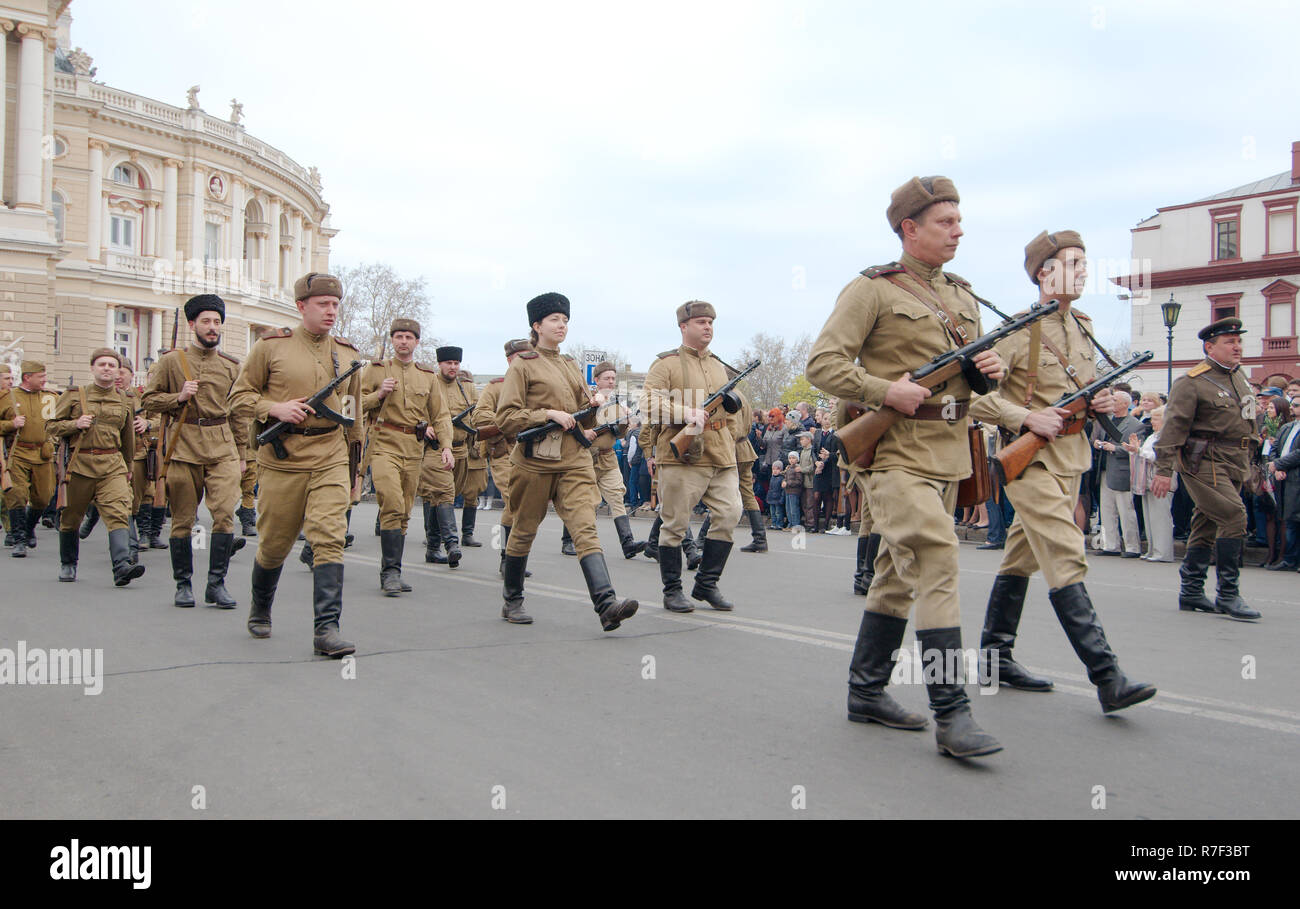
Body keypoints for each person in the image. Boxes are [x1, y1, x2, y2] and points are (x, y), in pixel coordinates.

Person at [806, 174, 1005, 757]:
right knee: (939, 554)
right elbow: (822, 363)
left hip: (948, 454)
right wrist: (881, 390)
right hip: (892, 454)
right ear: (909, 229)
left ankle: (865, 693)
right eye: (946, 223)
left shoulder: (965, 296)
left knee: (897, 575)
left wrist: (989, 373)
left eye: (960, 221)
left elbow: (977, 388)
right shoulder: (872, 290)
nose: (958, 231)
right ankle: (953, 711)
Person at [968, 230, 1155, 711]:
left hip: (1072, 457)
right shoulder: (1017, 333)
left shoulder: (1084, 327)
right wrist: (1022, 416)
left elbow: (1089, 392)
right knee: (1067, 551)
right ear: (1044, 272)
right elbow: (971, 396)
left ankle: (994, 657)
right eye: (1072, 261)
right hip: (1029, 461)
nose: (1083, 269)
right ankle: (1107, 676)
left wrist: (1108, 401)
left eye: (1084, 261)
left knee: (1021, 558)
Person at [228, 273, 365, 656]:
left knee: (329, 537)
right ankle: (260, 608)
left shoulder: (349, 354)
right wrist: (273, 408)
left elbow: (353, 411)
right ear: (302, 306)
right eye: (323, 304)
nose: (331, 311)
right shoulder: (270, 347)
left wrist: (356, 464)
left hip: (330, 456)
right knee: (274, 543)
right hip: (283, 460)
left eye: (335, 304)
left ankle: (327, 630)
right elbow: (238, 397)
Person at [495, 293, 638, 630]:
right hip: (534, 463)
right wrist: (548, 414)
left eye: (565, 320)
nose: (562, 325)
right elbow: (506, 418)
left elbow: (584, 416)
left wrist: (600, 408)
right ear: (537, 325)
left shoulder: (570, 364)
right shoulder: (523, 364)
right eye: (554, 320)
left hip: (573, 459)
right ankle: (512, 600)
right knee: (524, 530)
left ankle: (606, 605)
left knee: (585, 528)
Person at [1151, 317, 1260, 621]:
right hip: (1204, 461)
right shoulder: (1191, 382)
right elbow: (1173, 427)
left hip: (1234, 461)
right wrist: (1163, 468)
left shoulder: (1240, 377)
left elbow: (1250, 420)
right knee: (1234, 514)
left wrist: (1252, 458)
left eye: (1238, 341)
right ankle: (1228, 594)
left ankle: (1192, 591)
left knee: (1207, 522)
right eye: (1230, 342)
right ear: (1209, 346)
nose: (1237, 346)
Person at [142, 295, 248, 609]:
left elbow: (239, 412)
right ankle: (183, 584)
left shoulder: (231, 366)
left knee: (225, 517)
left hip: (222, 446)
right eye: (206, 321)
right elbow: (149, 399)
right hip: (182, 445)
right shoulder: (172, 361)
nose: (212, 327)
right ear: (193, 325)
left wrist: (242, 454)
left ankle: (216, 584)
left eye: (217, 321)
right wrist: (178, 396)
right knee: (183, 520)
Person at [640, 300, 744, 613]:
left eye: (710, 321)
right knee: (674, 523)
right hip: (682, 455)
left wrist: (733, 432)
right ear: (683, 326)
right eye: (700, 322)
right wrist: (685, 412)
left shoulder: (718, 365)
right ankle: (673, 591)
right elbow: (648, 403)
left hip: (720, 453)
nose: (708, 326)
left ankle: (706, 583)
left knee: (730, 514)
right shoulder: (666, 365)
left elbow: (731, 408)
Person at [360, 318, 453, 596]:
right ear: (392, 340)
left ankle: (394, 571)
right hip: (383, 443)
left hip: (413, 448)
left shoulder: (427, 376)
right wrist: (378, 394)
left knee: (404, 512)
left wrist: (446, 446)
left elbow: (441, 414)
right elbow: (350, 403)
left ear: (416, 342)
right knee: (391, 502)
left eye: (408, 337)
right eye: (399, 336)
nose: (403, 341)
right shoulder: (375, 370)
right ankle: (390, 573)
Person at [47, 348, 145, 586]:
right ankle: (68, 564)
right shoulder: (74, 395)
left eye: (112, 365)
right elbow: (50, 427)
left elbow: (127, 437)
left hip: (112, 465)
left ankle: (122, 566)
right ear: (92, 368)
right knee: (71, 517)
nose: (107, 369)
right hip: (79, 466)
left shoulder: (125, 400)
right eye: (102, 364)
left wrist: (129, 465)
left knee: (119, 512)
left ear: (117, 371)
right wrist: (74, 424)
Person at [474, 339, 532, 575]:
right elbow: (479, 418)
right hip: (503, 453)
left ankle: (510, 558)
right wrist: (509, 421)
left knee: (520, 506)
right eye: (523, 356)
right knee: (514, 501)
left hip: (529, 453)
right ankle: (506, 556)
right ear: (510, 360)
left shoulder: (533, 385)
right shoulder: (496, 387)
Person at [588, 360, 645, 558]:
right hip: (587, 459)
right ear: (596, 380)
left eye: (613, 378)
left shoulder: (618, 403)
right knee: (585, 502)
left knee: (617, 498)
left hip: (608, 457)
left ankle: (628, 544)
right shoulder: (589, 399)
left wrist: (625, 421)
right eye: (607, 378)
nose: (611, 382)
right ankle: (569, 540)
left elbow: (619, 435)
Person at [1, 360, 57, 557]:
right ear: (27, 377)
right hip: (18, 452)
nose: (44, 380)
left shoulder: (50, 397)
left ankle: (28, 527)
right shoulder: (8, 397)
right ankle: (18, 540)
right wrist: (10, 424)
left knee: (43, 498)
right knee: (16, 496)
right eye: (40, 377)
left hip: (43, 454)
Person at [435, 347, 487, 551]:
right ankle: (440, 539)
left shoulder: (466, 388)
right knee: (440, 493)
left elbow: (476, 414)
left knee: (459, 492)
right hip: (437, 449)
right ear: (440, 364)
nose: (453, 367)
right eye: (449, 363)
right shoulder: (432, 383)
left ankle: (465, 533)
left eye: (456, 363)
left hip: (462, 448)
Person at [118, 359, 163, 559]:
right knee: (128, 498)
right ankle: (129, 538)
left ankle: (145, 534)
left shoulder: (143, 397)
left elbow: (160, 419)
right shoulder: (110, 396)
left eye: (123, 372)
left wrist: (147, 423)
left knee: (148, 493)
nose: (119, 376)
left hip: (143, 451)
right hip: (118, 453)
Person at [1092, 391, 1144, 557]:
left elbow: (1136, 449)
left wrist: (1115, 448)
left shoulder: (1135, 425)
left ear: (1124, 404)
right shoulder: (1106, 421)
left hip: (1122, 472)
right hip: (1105, 469)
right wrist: (1097, 443)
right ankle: (1110, 545)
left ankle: (1132, 547)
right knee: (1106, 511)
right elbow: (1096, 437)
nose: (1112, 402)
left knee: (1126, 510)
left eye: (1115, 400)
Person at [1130, 405, 1175, 562]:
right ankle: (1152, 549)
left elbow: (1158, 456)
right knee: (1150, 517)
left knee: (1160, 517)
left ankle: (1162, 552)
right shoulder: (1153, 436)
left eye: (1156, 418)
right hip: (1148, 480)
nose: (1152, 421)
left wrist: (1139, 451)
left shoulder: (1167, 436)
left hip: (1161, 478)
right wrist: (1136, 449)